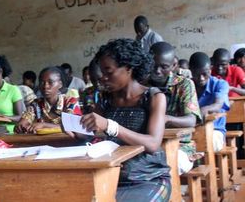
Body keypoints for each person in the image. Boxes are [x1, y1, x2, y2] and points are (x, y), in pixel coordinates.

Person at [72, 39, 170, 201]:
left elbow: (153, 144)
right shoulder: (105, 99)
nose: (103, 78)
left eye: (108, 72)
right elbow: (92, 133)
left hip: (147, 178)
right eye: (102, 72)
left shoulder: (154, 97)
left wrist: (111, 126)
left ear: (128, 68)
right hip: (110, 174)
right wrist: (78, 131)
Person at [149, 42, 202, 175]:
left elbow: (191, 120)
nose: (157, 71)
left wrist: (165, 119)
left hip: (181, 145)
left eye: (164, 67)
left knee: (168, 164)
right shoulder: (142, 84)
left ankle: (169, 195)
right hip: (148, 144)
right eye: (153, 65)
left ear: (173, 66)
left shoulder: (184, 84)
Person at [15, 66, 82, 134]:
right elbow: (23, 122)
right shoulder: (36, 104)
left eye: (50, 82)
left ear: (60, 84)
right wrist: (21, 127)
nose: (45, 86)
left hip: (67, 142)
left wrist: (44, 125)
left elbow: (73, 127)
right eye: (42, 82)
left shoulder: (70, 102)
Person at [189, 52, 229, 152]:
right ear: (191, 72)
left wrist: (203, 109)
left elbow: (218, 105)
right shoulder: (186, 86)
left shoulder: (220, 84)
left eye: (205, 74)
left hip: (215, 131)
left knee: (203, 142)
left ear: (210, 70)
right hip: (191, 131)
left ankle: (203, 165)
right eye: (196, 74)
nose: (201, 78)